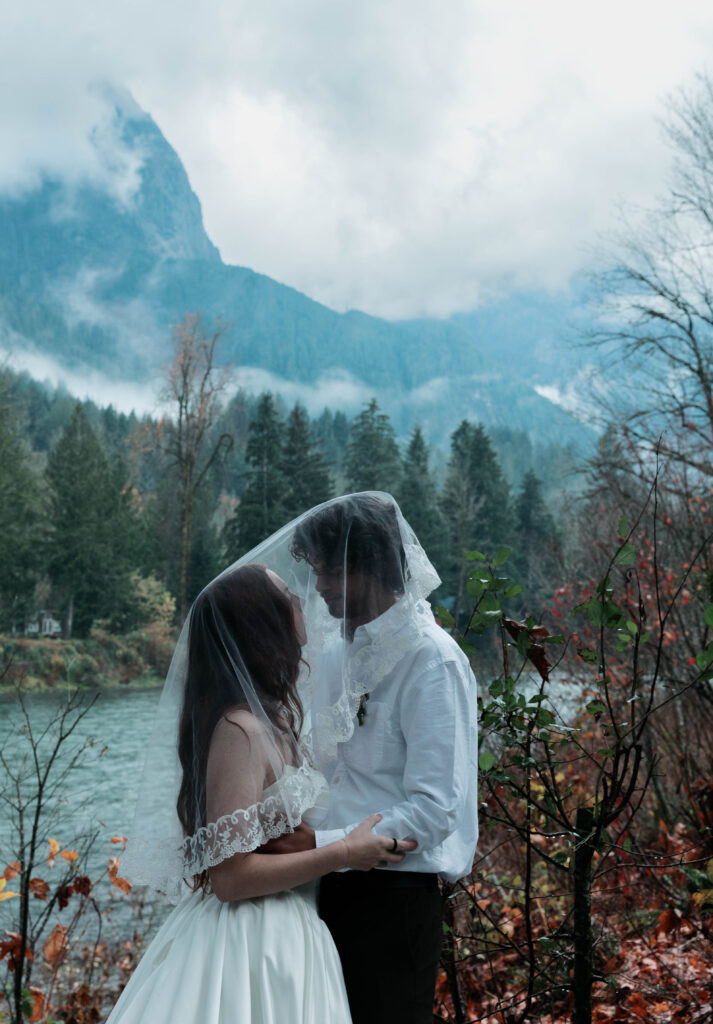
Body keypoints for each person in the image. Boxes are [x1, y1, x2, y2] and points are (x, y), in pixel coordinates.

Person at [109, 562, 415, 1024]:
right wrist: (344, 851)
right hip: (250, 944)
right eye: (286, 597)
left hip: (293, 929)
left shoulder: (274, 719)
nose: (300, 602)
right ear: (262, 623)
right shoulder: (239, 730)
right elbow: (230, 880)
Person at [269, 492, 479, 1024]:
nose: (318, 585)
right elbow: (320, 771)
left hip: (394, 902)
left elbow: (434, 811)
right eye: (314, 569)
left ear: (371, 566)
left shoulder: (433, 661)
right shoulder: (335, 653)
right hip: (316, 888)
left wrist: (322, 844)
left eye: (329, 569)